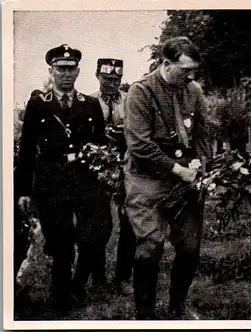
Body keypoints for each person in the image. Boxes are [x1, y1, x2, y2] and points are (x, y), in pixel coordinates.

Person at [124, 36, 213, 320]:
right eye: (184, 70)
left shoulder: (193, 90)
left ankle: (177, 307)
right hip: (147, 178)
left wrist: (202, 166)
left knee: (189, 246)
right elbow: (139, 145)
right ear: (165, 63)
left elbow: (201, 132)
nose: (190, 76)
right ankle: (145, 314)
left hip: (185, 178)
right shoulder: (141, 92)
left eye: (193, 71)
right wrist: (178, 170)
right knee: (150, 248)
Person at [16, 44, 109, 313]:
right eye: (60, 69)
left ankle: (78, 285)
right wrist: (24, 190)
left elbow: (100, 142)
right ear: (51, 71)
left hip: (85, 182)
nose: (65, 74)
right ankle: (63, 298)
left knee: (93, 239)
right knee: (61, 245)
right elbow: (26, 150)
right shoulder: (38, 105)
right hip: (52, 184)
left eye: (70, 69)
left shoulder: (90, 105)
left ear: (79, 72)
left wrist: (104, 169)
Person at [90, 58, 135, 296]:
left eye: (116, 79)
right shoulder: (88, 102)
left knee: (129, 222)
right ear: (97, 76)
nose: (111, 83)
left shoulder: (130, 100)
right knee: (99, 224)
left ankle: (123, 276)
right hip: (98, 170)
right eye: (107, 78)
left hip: (127, 165)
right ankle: (98, 275)